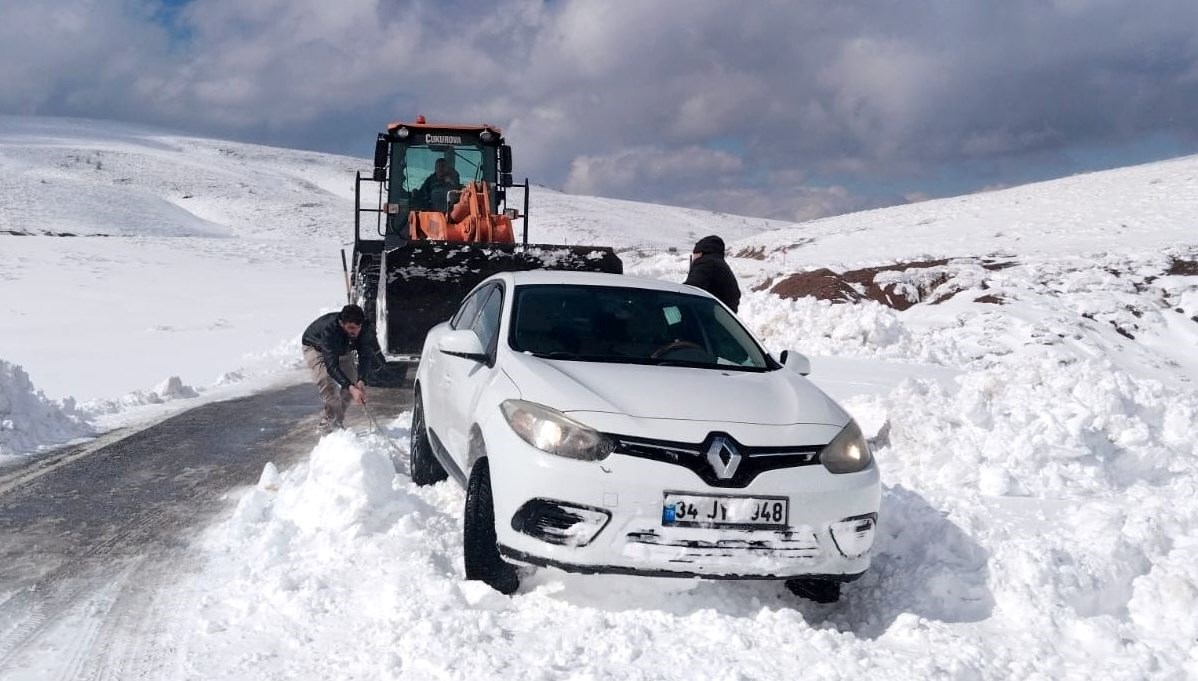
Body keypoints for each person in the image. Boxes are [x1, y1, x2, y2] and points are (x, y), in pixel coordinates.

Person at [301, 304, 383, 435]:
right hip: (316, 347)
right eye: (350, 328)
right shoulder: (330, 330)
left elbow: (365, 355)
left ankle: (337, 421)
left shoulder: (366, 328)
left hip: (343, 348)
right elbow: (331, 366)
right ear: (341, 323)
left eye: (357, 328)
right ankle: (328, 423)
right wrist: (351, 387)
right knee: (326, 382)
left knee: (352, 382)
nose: (354, 332)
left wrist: (361, 381)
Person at [684, 235, 741, 312]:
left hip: (711, 315)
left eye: (694, 255)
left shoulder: (705, 263)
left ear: (700, 253)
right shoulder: (720, 264)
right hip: (724, 316)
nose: (693, 259)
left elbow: (689, 291)